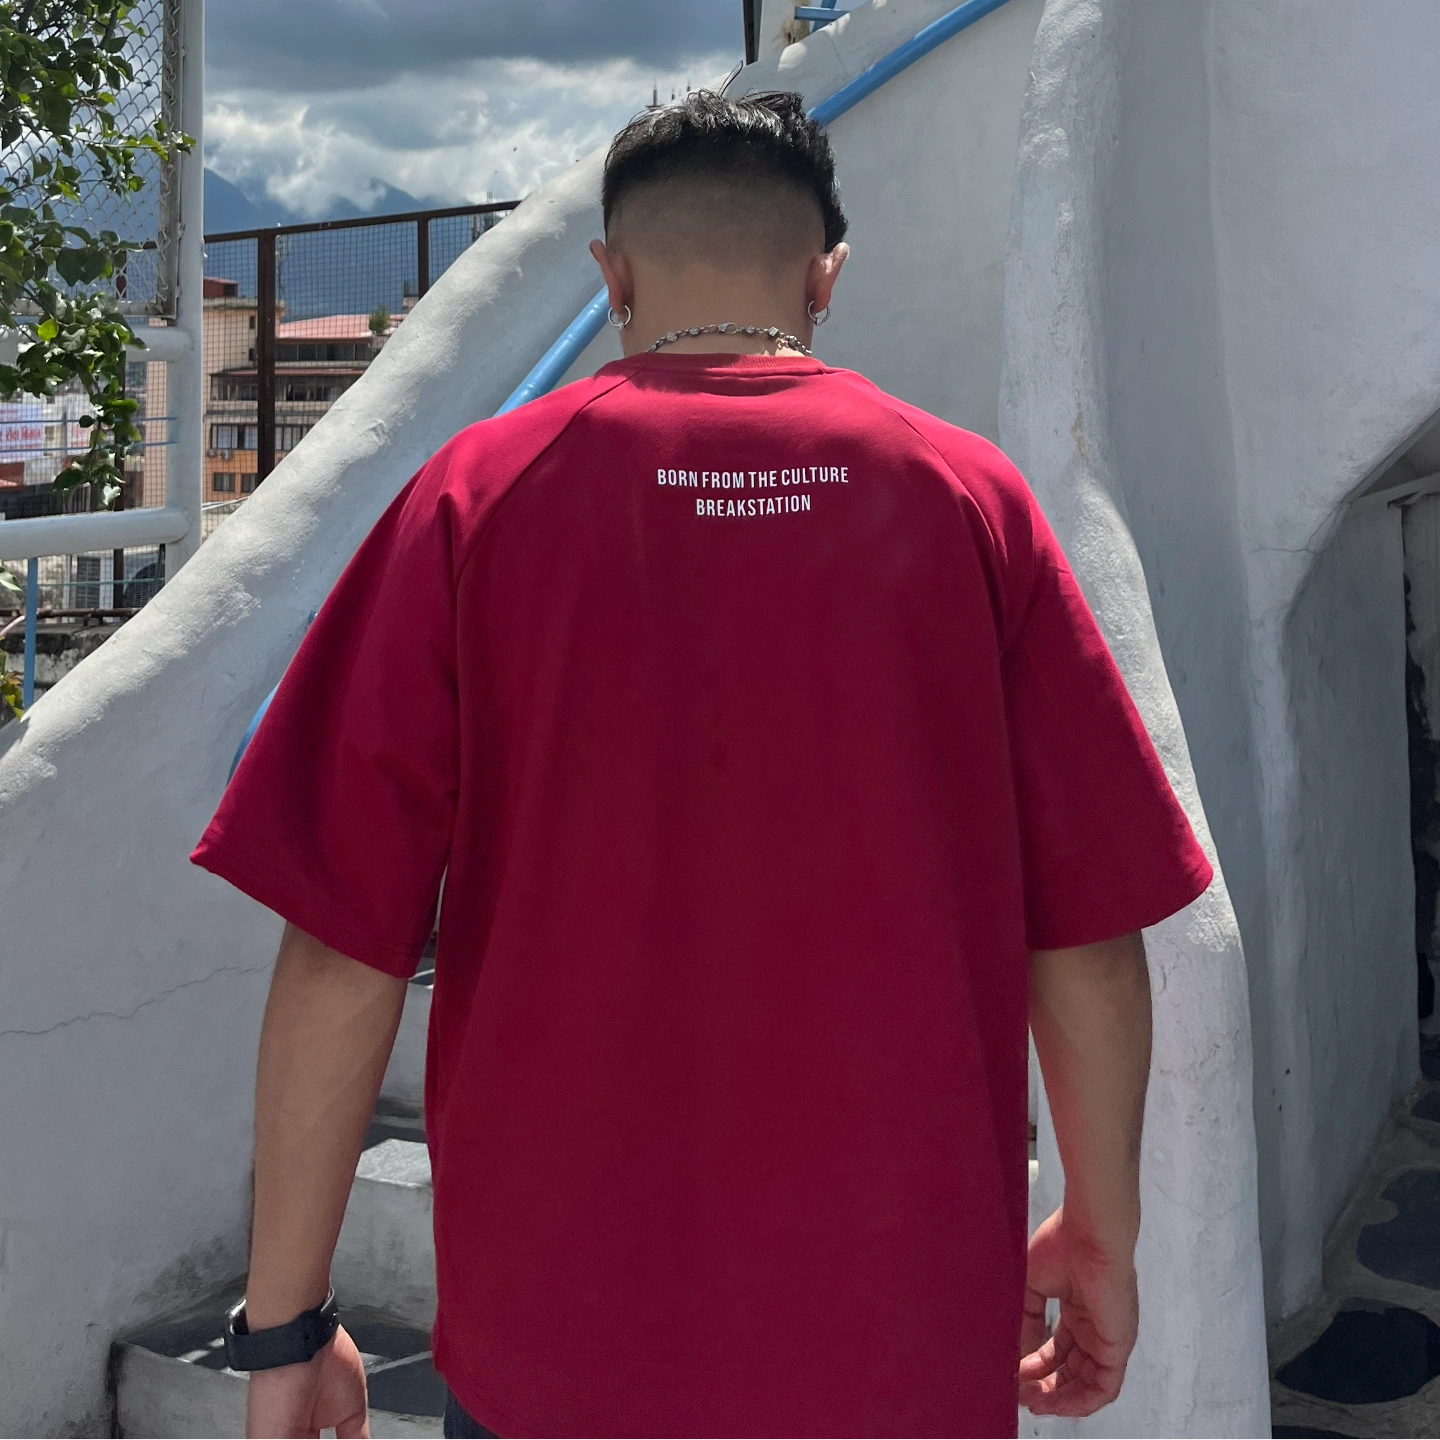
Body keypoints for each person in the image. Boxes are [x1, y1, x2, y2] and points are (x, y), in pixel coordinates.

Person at [192, 89, 1212, 1440]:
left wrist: (286, 1328)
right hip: (898, 1337)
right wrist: (1099, 1230)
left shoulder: (475, 498)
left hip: (554, 1343)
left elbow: (342, 944)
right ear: (825, 279)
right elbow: (1085, 932)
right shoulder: (972, 501)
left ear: (611, 277)